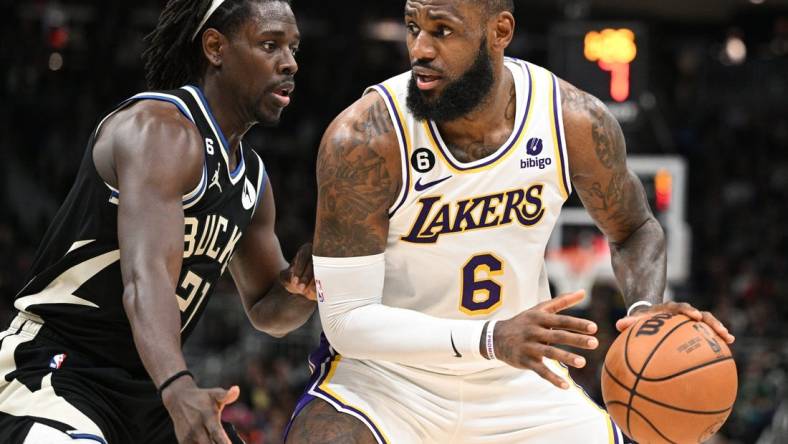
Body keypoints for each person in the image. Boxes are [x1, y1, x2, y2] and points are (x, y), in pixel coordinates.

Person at [285, 1, 736, 443]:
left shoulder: (573, 121)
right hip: (388, 382)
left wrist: (643, 312)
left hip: (520, 379)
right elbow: (346, 319)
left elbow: (636, 229)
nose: (419, 48)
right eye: (412, 26)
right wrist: (490, 337)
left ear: (500, 32)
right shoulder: (365, 137)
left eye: (441, 30)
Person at [0, 0, 316, 443]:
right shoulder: (160, 130)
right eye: (270, 45)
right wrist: (177, 386)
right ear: (215, 47)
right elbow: (145, 278)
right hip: (60, 367)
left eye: (294, 48)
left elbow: (271, 314)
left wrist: (304, 284)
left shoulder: (253, 181)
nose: (290, 63)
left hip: (144, 390)